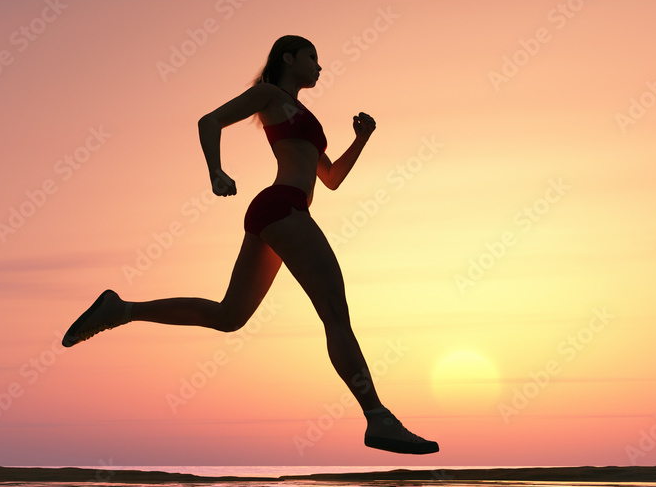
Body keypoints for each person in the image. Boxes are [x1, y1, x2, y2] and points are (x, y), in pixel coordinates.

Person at [62, 35, 438, 455]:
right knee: (334, 311)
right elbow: (209, 121)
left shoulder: (303, 113)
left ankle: (122, 310)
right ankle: (379, 419)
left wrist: (362, 139)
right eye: (312, 56)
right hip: (284, 208)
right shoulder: (269, 94)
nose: (320, 66)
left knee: (230, 316)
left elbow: (330, 178)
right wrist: (215, 172)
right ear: (288, 57)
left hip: (279, 213)